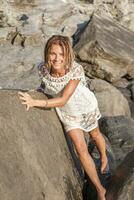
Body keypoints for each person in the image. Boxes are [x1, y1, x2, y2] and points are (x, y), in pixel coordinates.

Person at [18, 35, 108, 200]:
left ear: (67, 55)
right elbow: (46, 85)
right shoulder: (42, 68)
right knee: (80, 148)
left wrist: (35, 102)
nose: (57, 58)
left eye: (61, 54)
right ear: (47, 53)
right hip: (68, 114)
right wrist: (36, 92)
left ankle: (103, 156)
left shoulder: (75, 70)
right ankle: (100, 189)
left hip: (84, 107)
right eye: (53, 53)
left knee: (95, 135)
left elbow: (63, 99)